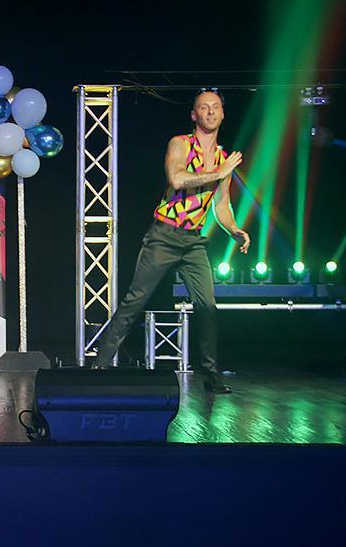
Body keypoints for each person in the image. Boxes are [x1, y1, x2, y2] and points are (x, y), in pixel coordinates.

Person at [92, 89, 249, 393]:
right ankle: (99, 364)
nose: (210, 112)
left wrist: (233, 229)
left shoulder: (222, 158)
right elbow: (177, 179)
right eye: (204, 107)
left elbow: (221, 204)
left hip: (194, 241)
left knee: (207, 306)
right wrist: (219, 172)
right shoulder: (181, 144)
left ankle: (210, 374)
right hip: (164, 235)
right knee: (135, 301)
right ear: (194, 114)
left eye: (215, 107)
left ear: (222, 114)